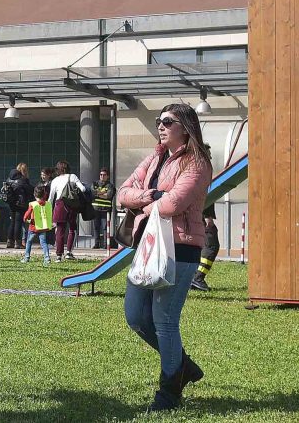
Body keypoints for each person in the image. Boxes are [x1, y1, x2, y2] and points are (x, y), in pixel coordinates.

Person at [118, 103, 212, 412]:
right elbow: (123, 192)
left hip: (181, 248)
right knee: (135, 316)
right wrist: (150, 196)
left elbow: (173, 205)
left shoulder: (197, 162)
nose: (161, 125)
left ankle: (169, 392)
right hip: (148, 245)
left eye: (168, 121)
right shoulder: (155, 156)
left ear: (185, 127)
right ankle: (182, 365)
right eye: (159, 120)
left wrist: (143, 203)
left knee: (165, 321)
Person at [48, 161, 86, 262]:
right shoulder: (72, 176)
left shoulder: (55, 180)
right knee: (72, 229)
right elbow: (83, 189)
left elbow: (51, 198)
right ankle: (69, 252)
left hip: (59, 205)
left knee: (60, 230)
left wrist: (49, 211)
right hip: (71, 205)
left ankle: (58, 256)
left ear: (58, 169)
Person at [21, 185, 53, 265]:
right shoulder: (48, 204)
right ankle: (47, 258)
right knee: (44, 243)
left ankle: (26, 257)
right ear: (44, 195)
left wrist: (25, 219)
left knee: (29, 242)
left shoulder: (33, 204)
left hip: (33, 227)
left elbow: (27, 215)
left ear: (34, 195)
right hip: (43, 227)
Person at [3, 166, 32, 249]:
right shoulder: (23, 180)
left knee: (12, 222)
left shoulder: (9, 179)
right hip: (20, 204)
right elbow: (29, 190)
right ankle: (17, 242)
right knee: (18, 222)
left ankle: (9, 241)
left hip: (11, 203)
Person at [191, 212, 221, 291]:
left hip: (193, 218)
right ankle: (197, 278)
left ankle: (192, 278)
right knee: (211, 247)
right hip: (200, 218)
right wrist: (207, 216)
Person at [91, 167, 117, 249]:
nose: (102, 176)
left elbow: (109, 195)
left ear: (107, 176)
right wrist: (103, 192)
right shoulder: (95, 184)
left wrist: (98, 194)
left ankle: (106, 244)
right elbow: (93, 193)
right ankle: (96, 244)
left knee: (105, 227)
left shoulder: (110, 186)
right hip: (95, 209)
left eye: (104, 175)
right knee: (96, 227)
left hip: (106, 209)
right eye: (101, 175)